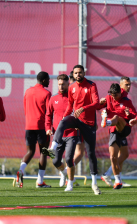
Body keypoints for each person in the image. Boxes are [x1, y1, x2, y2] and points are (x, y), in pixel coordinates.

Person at [43, 65, 102, 195]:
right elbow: (69, 106)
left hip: (87, 124)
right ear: (73, 75)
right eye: (75, 73)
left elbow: (97, 104)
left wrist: (84, 108)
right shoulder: (69, 89)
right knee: (62, 124)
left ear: (84, 73)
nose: (78, 75)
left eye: (80, 73)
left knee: (89, 153)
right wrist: (64, 118)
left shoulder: (91, 85)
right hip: (71, 123)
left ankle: (94, 183)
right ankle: (53, 148)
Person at [16, 71, 52, 188]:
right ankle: (40, 181)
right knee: (43, 152)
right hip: (42, 126)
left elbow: (25, 108)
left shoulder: (28, 91)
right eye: (48, 79)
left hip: (29, 126)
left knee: (29, 152)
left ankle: (21, 170)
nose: (49, 81)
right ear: (43, 80)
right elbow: (48, 112)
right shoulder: (47, 93)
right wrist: (49, 127)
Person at [99, 83, 137, 189]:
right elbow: (98, 106)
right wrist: (101, 103)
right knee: (114, 157)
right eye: (112, 95)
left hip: (124, 128)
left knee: (117, 117)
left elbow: (135, 115)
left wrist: (128, 114)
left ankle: (107, 122)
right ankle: (117, 180)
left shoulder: (127, 101)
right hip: (114, 131)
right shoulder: (109, 97)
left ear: (120, 92)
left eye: (116, 95)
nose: (114, 97)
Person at [46, 74, 79, 191]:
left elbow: (79, 114)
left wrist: (78, 126)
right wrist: (48, 128)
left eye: (63, 84)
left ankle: (70, 183)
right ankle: (64, 173)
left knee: (69, 158)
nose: (61, 87)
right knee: (54, 160)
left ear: (68, 84)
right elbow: (48, 115)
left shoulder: (74, 99)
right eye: (59, 84)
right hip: (57, 136)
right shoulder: (53, 99)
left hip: (71, 134)